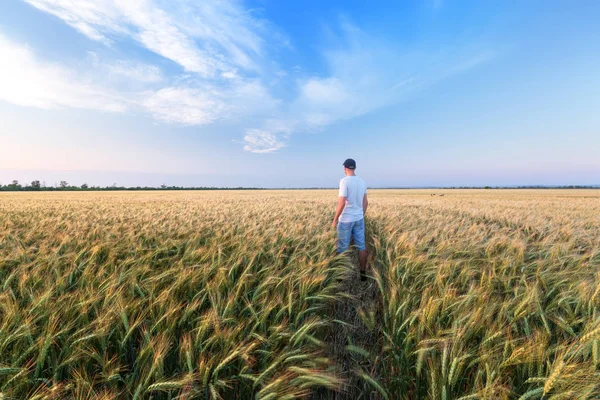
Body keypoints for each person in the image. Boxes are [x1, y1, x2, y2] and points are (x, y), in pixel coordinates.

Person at [331, 158, 369, 280]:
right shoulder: (362, 182)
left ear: (345, 168)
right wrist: (360, 215)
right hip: (359, 218)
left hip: (346, 219)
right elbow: (365, 202)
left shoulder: (344, 181)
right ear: (355, 168)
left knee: (342, 247)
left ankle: (340, 276)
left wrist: (334, 220)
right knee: (361, 246)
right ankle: (363, 273)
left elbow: (342, 202)